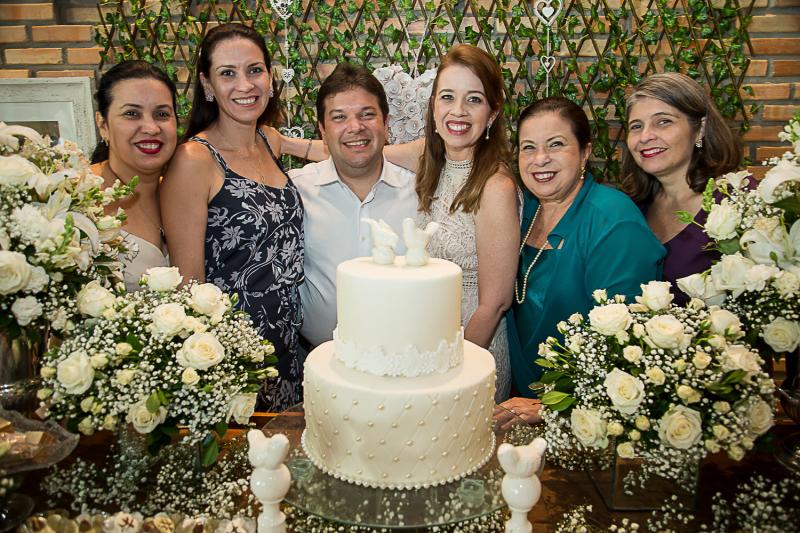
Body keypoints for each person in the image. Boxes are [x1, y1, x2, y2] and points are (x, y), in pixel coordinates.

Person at [160, 23, 304, 412]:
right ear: (207, 85)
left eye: (254, 70)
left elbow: (339, 150)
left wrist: (428, 152)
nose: (245, 84)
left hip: (288, 349)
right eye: (228, 73)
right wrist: (214, 365)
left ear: (270, 77)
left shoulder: (269, 141)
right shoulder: (195, 160)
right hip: (232, 359)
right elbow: (188, 287)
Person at [496, 97, 665, 426]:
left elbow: (625, 344)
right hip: (516, 397)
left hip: (585, 414)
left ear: (585, 152)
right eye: (528, 148)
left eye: (556, 144)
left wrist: (550, 407)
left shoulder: (613, 220)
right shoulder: (522, 210)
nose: (540, 159)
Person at [288, 63, 417, 349]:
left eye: (367, 115)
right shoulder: (295, 191)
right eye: (339, 117)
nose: (355, 127)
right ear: (323, 131)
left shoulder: (420, 194)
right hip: (314, 359)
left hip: (406, 356)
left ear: (386, 123)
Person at [621, 72, 742, 305]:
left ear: (700, 129)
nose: (645, 136)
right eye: (636, 126)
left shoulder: (737, 201)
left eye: (663, 121)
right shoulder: (632, 208)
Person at [91, 60, 177, 292]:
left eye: (162, 114)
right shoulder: (78, 195)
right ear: (103, 125)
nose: (151, 128)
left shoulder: (181, 194)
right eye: (132, 114)